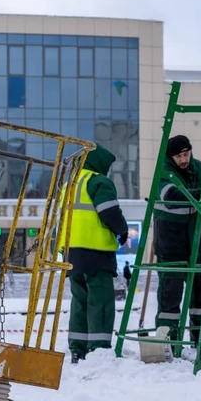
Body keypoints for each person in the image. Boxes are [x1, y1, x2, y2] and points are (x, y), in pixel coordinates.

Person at [153, 135, 201, 352]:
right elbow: (172, 196)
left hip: (197, 244)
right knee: (170, 300)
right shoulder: (163, 173)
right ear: (170, 156)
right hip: (170, 247)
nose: (183, 159)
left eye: (186, 154)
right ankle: (169, 343)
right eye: (179, 156)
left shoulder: (199, 168)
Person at [63, 144, 129, 364]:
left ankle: (77, 349)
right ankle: (98, 349)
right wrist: (122, 229)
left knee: (80, 301)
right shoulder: (98, 182)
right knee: (100, 302)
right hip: (96, 252)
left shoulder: (69, 184)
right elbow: (109, 211)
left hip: (72, 253)